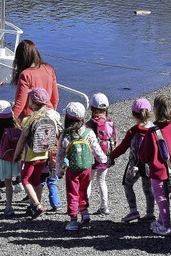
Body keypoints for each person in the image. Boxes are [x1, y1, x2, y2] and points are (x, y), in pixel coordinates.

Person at [138, 95, 171, 236]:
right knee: (165, 197)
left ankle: (167, 226)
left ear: (156, 110)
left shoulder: (152, 132)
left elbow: (143, 154)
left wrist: (143, 159)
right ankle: (162, 221)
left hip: (158, 171)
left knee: (161, 198)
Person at [56, 101, 107, 231]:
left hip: (72, 170)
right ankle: (85, 213)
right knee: (83, 190)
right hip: (86, 168)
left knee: (72, 193)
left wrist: (59, 172)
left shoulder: (65, 136)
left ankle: (73, 219)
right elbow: (96, 149)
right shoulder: (88, 133)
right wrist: (103, 159)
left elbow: (60, 156)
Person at [13, 87, 59, 219]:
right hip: (43, 155)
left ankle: (37, 205)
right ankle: (34, 205)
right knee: (36, 180)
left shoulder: (28, 120)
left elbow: (22, 141)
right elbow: (54, 137)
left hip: (30, 156)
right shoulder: (50, 118)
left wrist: (16, 155)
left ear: (32, 102)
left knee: (25, 179)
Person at [110, 98, 156, 223]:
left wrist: (112, 156)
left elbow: (123, 147)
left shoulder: (133, 131)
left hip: (134, 165)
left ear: (133, 114)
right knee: (148, 189)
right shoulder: (155, 129)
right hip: (149, 165)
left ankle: (133, 210)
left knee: (128, 184)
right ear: (150, 112)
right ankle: (150, 213)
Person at [11, 40, 59, 122]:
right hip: (48, 116)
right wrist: (51, 113)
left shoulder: (25, 75)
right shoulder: (49, 69)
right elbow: (55, 99)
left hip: (29, 118)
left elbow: (20, 104)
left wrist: (10, 122)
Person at [86, 92, 117, 216]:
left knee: (89, 181)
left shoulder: (89, 124)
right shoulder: (110, 124)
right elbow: (115, 140)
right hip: (106, 155)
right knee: (102, 181)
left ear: (92, 108)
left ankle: (84, 206)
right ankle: (104, 206)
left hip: (92, 157)